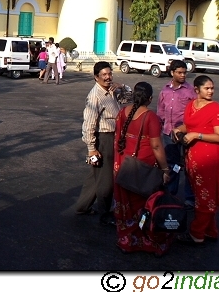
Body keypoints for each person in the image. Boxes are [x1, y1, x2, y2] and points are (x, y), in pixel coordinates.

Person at [113, 81, 173, 255]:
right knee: (142, 203)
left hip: (124, 165)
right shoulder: (150, 117)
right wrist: (165, 169)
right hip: (142, 167)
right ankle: (144, 239)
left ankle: (126, 239)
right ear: (150, 98)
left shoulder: (122, 113)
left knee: (126, 203)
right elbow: (156, 146)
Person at [172, 75, 219, 245]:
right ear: (197, 90)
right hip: (192, 155)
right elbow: (189, 125)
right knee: (201, 195)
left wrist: (197, 135)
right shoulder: (192, 105)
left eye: (212, 88)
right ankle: (210, 230)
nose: (211, 91)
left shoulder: (215, 109)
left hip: (208, 158)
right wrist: (178, 129)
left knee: (205, 197)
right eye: (207, 88)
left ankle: (197, 233)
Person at [73, 61, 127, 226]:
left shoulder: (111, 91)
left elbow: (129, 99)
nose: (108, 77)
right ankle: (105, 214)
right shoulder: (94, 96)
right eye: (104, 75)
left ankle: (82, 206)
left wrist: (122, 87)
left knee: (95, 175)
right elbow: (88, 124)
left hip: (114, 136)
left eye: (109, 74)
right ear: (96, 77)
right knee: (106, 180)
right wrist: (91, 149)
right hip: (104, 138)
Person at [157, 59, 198, 206]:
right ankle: (171, 195)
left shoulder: (190, 91)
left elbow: (196, 112)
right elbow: (161, 110)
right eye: (179, 72)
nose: (182, 75)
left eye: (184, 73)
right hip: (169, 133)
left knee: (188, 165)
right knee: (172, 164)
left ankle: (189, 198)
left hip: (186, 134)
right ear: (172, 73)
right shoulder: (165, 90)